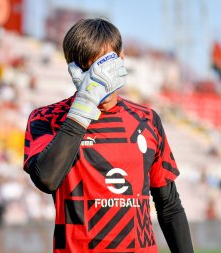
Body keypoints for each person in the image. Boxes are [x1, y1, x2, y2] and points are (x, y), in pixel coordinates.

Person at [23, 18, 194, 253]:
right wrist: (84, 105)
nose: (98, 78)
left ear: (121, 59)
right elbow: (47, 179)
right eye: (88, 69)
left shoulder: (147, 119)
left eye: (103, 66)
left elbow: (169, 205)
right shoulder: (46, 119)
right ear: (73, 70)